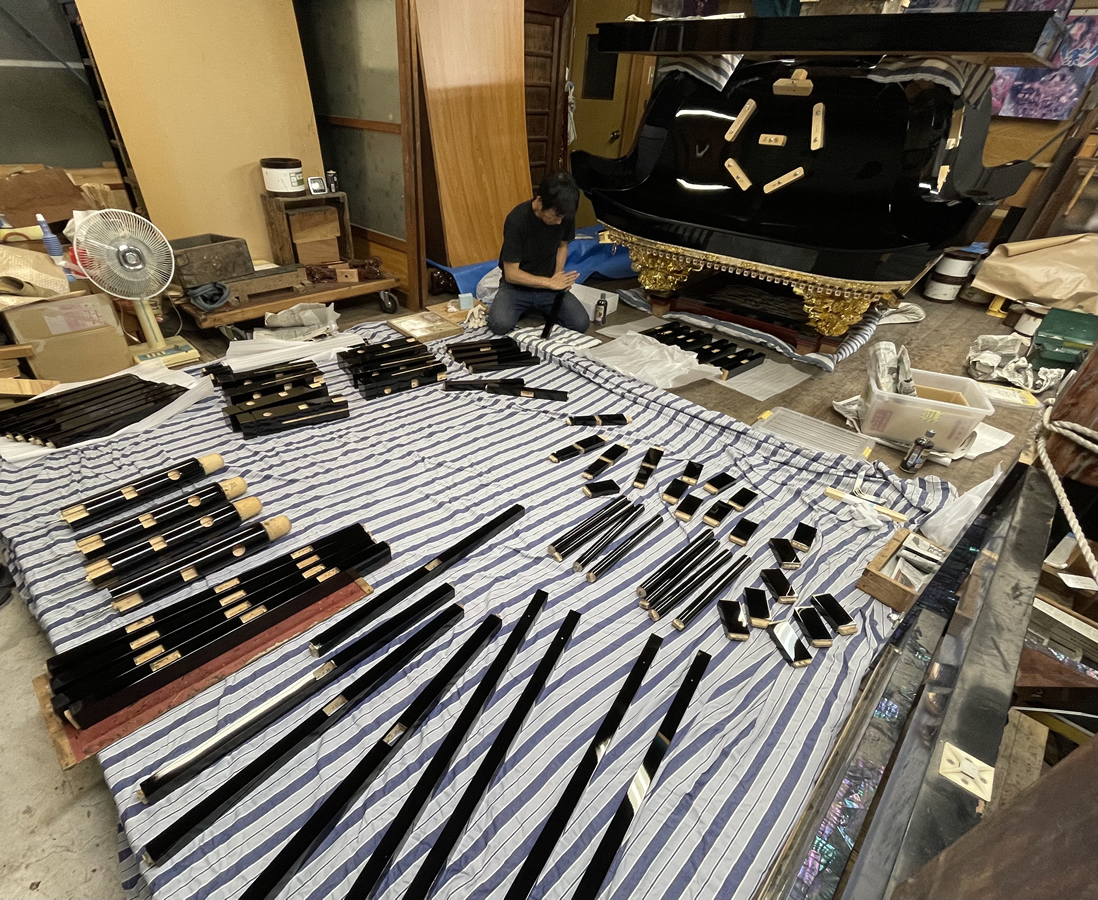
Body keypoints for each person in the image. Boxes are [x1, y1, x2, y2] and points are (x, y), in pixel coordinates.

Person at [488, 172, 590, 335]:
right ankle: (528, 307)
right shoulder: (517, 220)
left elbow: (562, 245)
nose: (559, 222)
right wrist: (550, 283)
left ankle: (535, 307)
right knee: (499, 324)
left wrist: (558, 276)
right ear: (540, 200)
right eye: (556, 216)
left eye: (562, 217)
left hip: (548, 287)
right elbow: (511, 274)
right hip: (517, 288)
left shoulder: (564, 214)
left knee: (580, 323)